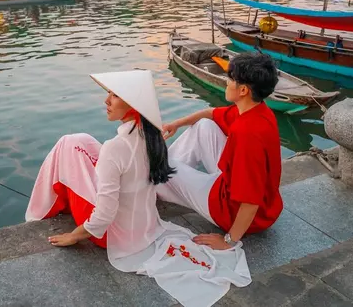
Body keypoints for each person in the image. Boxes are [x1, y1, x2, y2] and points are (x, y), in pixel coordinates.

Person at [27, 70, 250, 306]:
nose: (106, 101)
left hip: (111, 236)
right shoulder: (153, 137)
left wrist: (74, 236)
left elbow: (104, 215)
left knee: (68, 145)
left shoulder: (115, 148)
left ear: (132, 106)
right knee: (79, 141)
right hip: (145, 227)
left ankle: (40, 212)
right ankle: (50, 205)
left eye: (114, 95)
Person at [157, 53, 284, 245]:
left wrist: (229, 240)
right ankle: (165, 179)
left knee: (156, 163)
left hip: (229, 210)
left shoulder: (247, 134)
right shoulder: (258, 110)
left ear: (242, 90)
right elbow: (210, 113)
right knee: (204, 125)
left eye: (230, 78)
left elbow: (250, 201)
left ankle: (157, 180)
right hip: (250, 198)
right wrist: (176, 124)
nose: (226, 81)